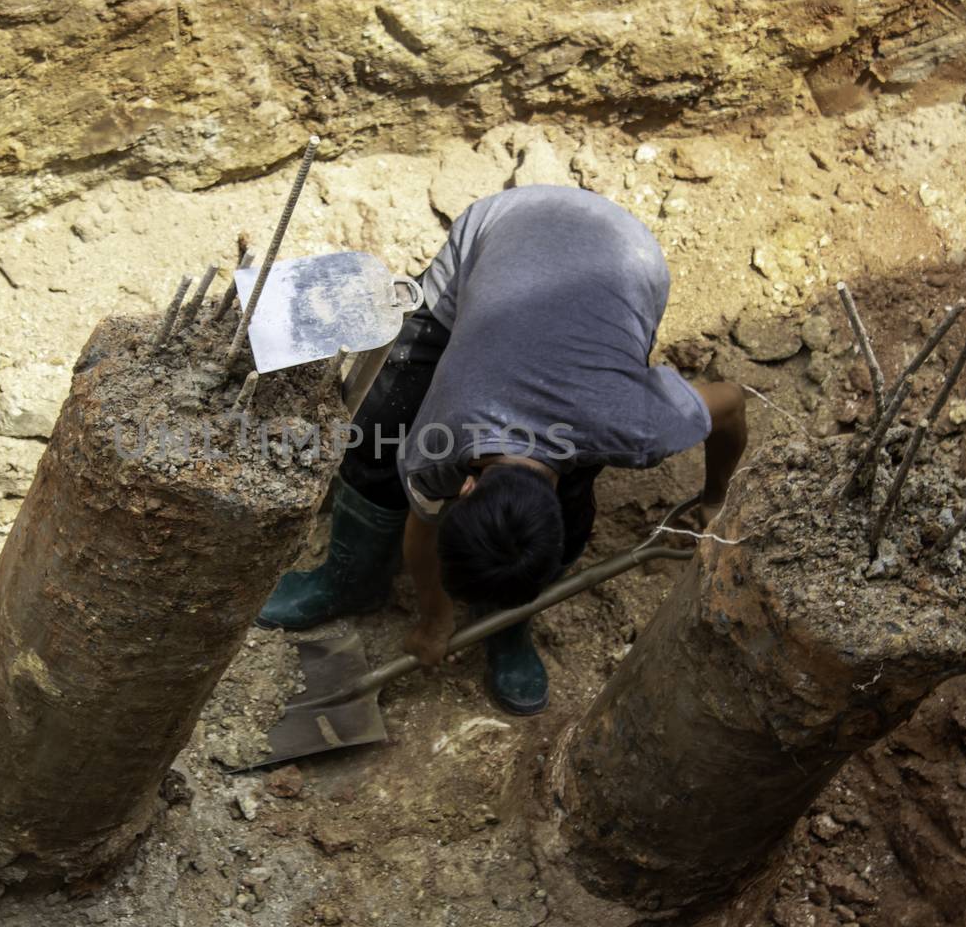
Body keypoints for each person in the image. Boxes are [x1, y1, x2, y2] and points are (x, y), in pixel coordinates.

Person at [256, 185, 748, 715]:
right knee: (377, 437)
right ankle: (349, 580)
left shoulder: (634, 426)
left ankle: (509, 618)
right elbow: (421, 532)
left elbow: (730, 404)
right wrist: (434, 621)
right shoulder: (438, 441)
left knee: (578, 497)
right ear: (463, 484)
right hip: (503, 231)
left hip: (626, 259)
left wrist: (717, 495)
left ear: (467, 486)